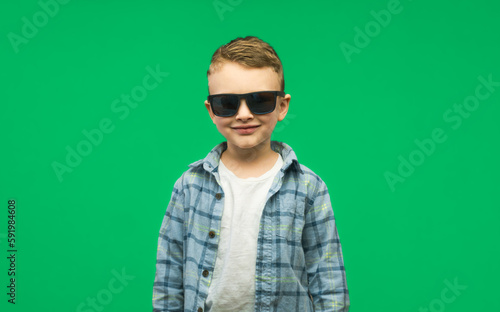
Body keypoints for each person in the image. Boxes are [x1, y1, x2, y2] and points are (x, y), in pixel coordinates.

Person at [152, 35, 350, 312]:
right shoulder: (189, 185)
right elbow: (169, 275)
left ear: (282, 106)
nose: (244, 114)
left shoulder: (309, 187)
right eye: (227, 104)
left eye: (260, 100)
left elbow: (328, 280)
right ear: (211, 110)